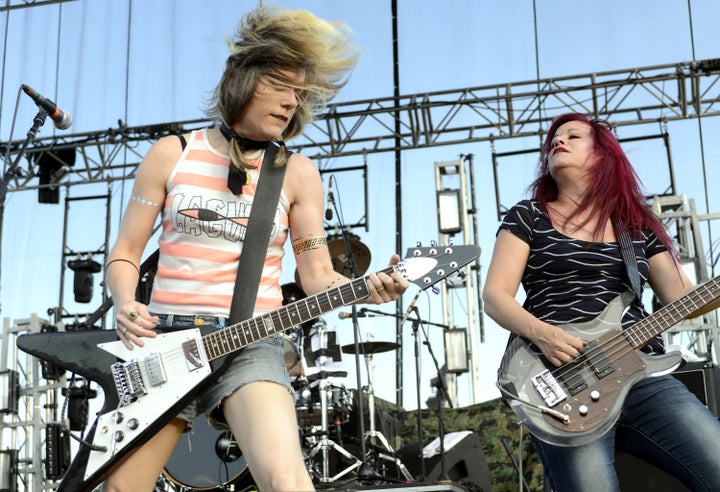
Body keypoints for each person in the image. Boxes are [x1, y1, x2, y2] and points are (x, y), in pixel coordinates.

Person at [102, 5, 408, 491]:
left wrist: (366, 289)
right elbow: (124, 252)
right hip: (163, 344)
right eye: (282, 86)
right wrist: (124, 302)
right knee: (120, 488)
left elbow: (317, 278)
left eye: (300, 94)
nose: (292, 103)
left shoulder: (298, 173)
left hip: (250, 341)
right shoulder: (172, 153)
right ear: (244, 78)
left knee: (287, 482)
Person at [482, 112, 720, 491]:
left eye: (573, 136)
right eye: (554, 140)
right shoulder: (528, 215)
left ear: (604, 155)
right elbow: (495, 296)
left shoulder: (636, 225)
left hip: (643, 374)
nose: (557, 142)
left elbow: (683, 299)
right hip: (561, 375)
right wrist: (544, 335)